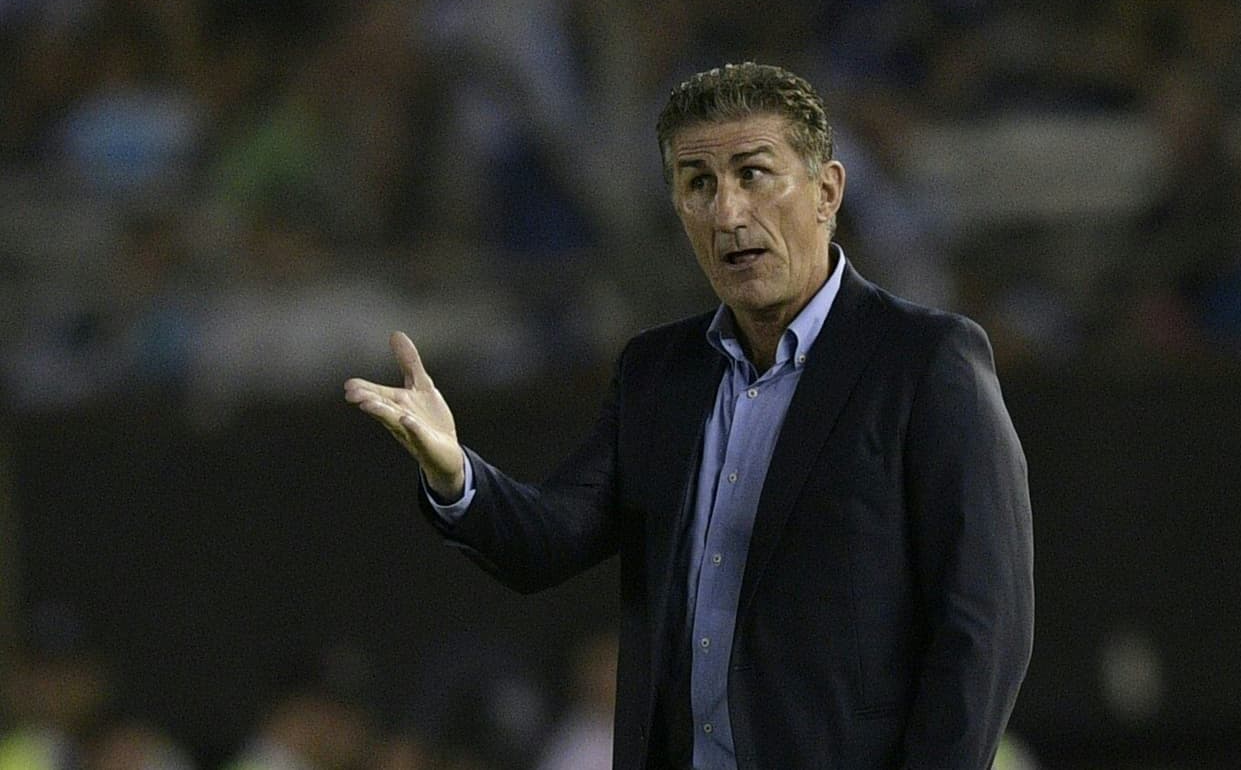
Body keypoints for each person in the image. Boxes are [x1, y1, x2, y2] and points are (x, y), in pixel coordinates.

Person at [345, 62, 1033, 769]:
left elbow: (983, 629)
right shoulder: (658, 373)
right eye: (699, 183)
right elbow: (547, 539)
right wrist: (454, 469)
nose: (728, 212)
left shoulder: (924, 362)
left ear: (827, 191)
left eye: (754, 174)